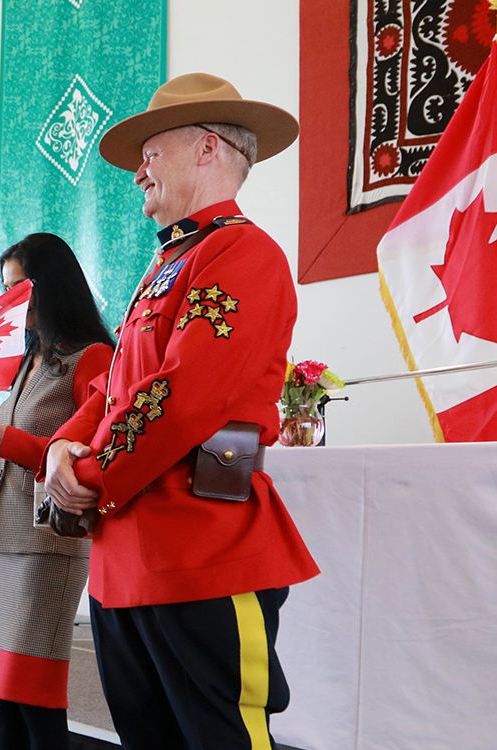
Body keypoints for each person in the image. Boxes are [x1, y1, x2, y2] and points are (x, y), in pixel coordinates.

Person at [43, 73, 321, 750]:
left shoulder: (244, 253)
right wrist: (61, 447)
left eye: (151, 153)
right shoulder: (167, 262)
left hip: (202, 554)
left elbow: (185, 395)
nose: (139, 172)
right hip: (126, 563)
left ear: (205, 149)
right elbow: (117, 384)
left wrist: (89, 477)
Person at [0, 233, 114, 750]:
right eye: (6, 289)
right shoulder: (31, 360)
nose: (12, 302)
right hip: (3, 540)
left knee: (35, 696)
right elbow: (10, 466)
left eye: (21, 289)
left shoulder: (94, 358)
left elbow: (76, 459)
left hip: (47, 546)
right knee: (4, 696)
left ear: (53, 288)